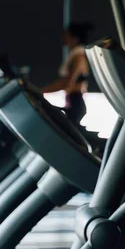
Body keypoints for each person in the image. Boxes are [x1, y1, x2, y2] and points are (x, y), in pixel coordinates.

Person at [42, 22, 103, 152]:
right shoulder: (74, 55)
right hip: (71, 101)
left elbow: (67, 82)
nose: (63, 37)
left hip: (75, 102)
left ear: (74, 37)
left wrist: (40, 91)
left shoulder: (79, 56)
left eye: (66, 35)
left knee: (74, 141)